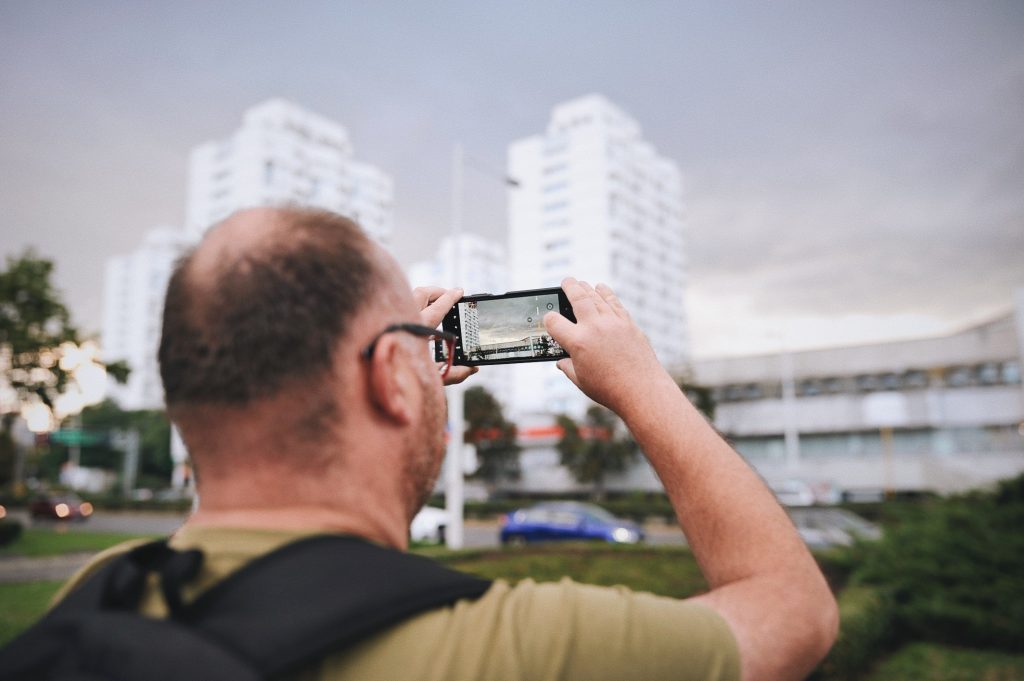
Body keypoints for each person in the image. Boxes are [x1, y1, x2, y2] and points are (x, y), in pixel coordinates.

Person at [57, 206, 837, 680]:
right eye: (408, 346)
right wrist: (644, 385)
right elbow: (793, 610)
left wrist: (396, 369)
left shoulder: (98, 598)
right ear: (389, 380)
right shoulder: (520, 648)